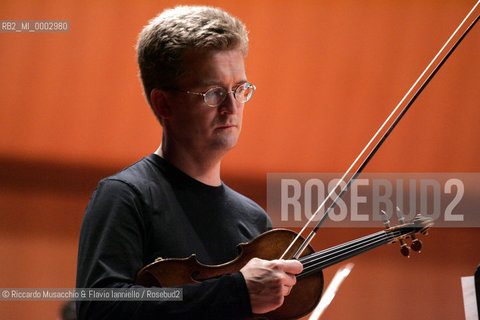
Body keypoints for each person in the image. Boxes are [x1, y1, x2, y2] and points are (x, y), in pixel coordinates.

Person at [76, 5, 303, 320]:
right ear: (164, 103)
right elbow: (100, 308)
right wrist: (233, 292)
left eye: (239, 89)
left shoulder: (253, 221)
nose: (231, 107)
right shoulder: (126, 196)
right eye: (212, 92)